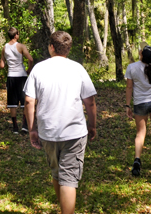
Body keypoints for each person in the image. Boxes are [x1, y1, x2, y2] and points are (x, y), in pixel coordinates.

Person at [24, 30, 97, 214]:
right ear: (68, 49)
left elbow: (28, 101)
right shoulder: (77, 68)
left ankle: (63, 208)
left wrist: (32, 129)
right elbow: (90, 101)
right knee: (69, 178)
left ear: (51, 47)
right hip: (74, 133)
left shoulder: (38, 69)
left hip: (48, 132)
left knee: (57, 173)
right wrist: (93, 124)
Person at [125, 44, 151, 176]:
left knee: (140, 133)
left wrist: (127, 105)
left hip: (140, 103)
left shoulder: (132, 67)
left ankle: (137, 161)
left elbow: (129, 88)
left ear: (141, 55)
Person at [0, 26, 33, 134]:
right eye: (18, 33)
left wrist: (5, 63)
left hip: (11, 77)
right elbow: (30, 59)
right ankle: (24, 125)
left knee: (12, 103)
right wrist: (29, 68)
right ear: (16, 35)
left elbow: (1, 65)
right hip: (22, 76)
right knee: (24, 101)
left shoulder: (4, 48)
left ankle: (15, 127)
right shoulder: (21, 46)